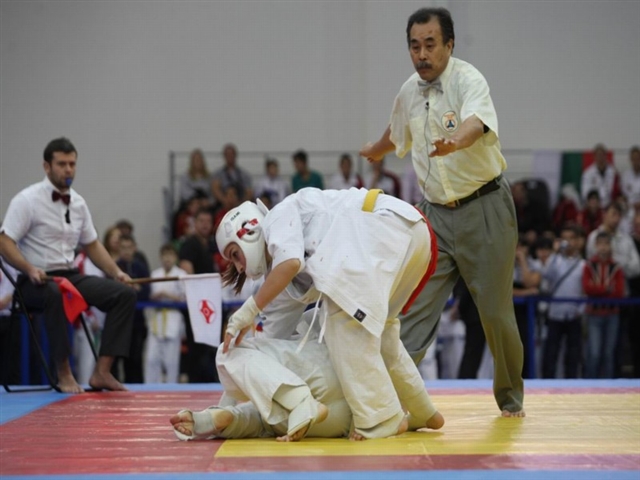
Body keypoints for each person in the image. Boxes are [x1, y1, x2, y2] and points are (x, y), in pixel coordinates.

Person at [359, 7, 524, 417]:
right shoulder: (408, 91)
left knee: (495, 313)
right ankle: (389, 399)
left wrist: (457, 142)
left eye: (430, 45)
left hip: (484, 208)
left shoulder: (468, 79)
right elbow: (397, 130)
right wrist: (376, 149)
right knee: (413, 308)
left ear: (449, 45)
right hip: (433, 216)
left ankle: (510, 398)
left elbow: (476, 122)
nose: (422, 54)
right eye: (415, 46)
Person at [215, 189, 441, 440]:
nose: (239, 267)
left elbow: (290, 262)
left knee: (341, 319)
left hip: (384, 224)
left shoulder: (278, 216)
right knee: (382, 332)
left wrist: (247, 311)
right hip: (411, 235)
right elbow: (267, 343)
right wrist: (227, 405)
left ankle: (382, 419)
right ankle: (422, 409)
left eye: (235, 255)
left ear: (249, 229)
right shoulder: (279, 284)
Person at [170, 311, 443, 442]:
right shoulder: (328, 309)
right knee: (267, 414)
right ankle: (417, 411)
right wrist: (421, 409)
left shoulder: (296, 304)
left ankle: (223, 418)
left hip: (316, 393)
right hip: (354, 410)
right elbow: (390, 352)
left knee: (229, 356)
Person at [0, 137, 136, 393]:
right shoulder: (27, 199)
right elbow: (4, 241)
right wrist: (28, 268)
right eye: (62, 164)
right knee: (54, 293)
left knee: (124, 294)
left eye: (72, 164)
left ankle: (102, 371)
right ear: (46, 166)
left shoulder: (78, 203)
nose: (68, 169)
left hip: (69, 276)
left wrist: (116, 272)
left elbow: (92, 245)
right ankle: (63, 373)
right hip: (35, 280)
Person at [541, 225, 585, 379]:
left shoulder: (582, 264)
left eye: (571, 238)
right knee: (551, 352)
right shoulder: (556, 261)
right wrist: (554, 252)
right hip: (555, 314)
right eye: (564, 238)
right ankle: (546, 383)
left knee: (573, 353)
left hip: (573, 315)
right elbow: (546, 274)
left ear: (577, 241)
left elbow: (584, 290)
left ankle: (572, 383)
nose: (568, 242)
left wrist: (581, 309)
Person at [582, 232, 625, 378]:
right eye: (600, 244)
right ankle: (589, 385)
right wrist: (607, 289)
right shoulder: (589, 265)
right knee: (594, 353)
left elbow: (619, 291)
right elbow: (587, 288)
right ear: (595, 246)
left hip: (612, 314)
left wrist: (597, 289)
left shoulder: (616, 267)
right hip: (594, 314)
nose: (603, 247)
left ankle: (609, 386)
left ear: (611, 246)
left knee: (608, 354)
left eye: (606, 244)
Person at [144, 244, 187, 384]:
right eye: (164, 255)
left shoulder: (181, 274)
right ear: (160, 257)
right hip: (156, 317)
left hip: (173, 317)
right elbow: (150, 295)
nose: (167, 259)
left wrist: (167, 295)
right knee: (152, 358)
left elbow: (185, 297)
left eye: (170, 255)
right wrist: (156, 296)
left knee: (171, 360)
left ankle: (172, 387)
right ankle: (150, 388)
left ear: (175, 258)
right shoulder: (155, 274)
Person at [210, 143, 253, 210]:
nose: (230, 157)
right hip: (223, 206)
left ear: (235, 156)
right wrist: (226, 201)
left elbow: (249, 192)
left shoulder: (244, 175)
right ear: (224, 156)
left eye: (232, 154)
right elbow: (215, 189)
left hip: (240, 205)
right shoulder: (218, 174)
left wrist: (240, 204)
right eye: (228, 155)